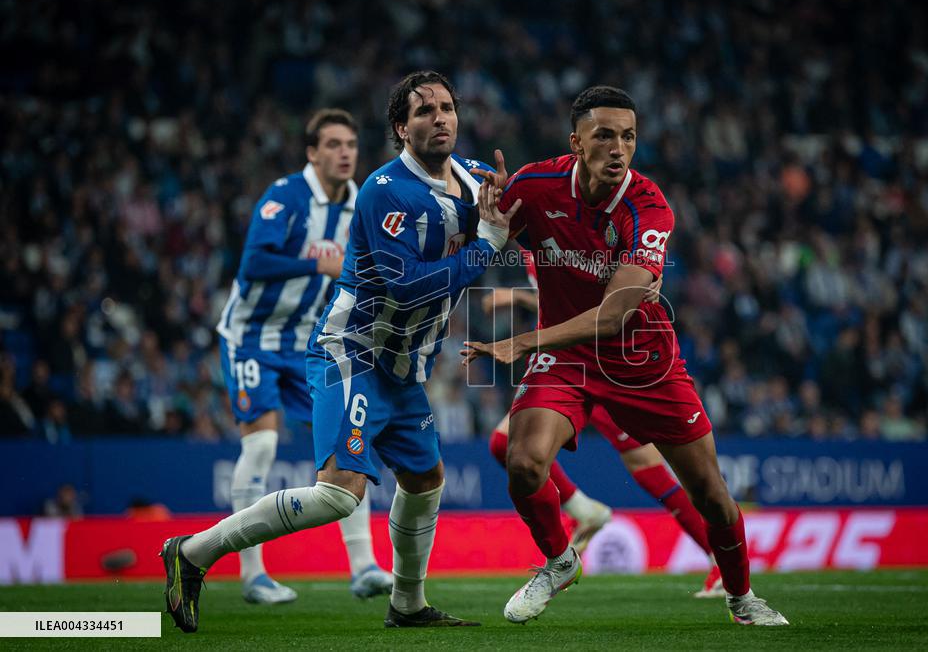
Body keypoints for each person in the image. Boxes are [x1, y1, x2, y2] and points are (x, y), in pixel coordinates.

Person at [161, 70, 519, 632]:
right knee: (339, 495)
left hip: (405, 367)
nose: (440, 117)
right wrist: (487, 246)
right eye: (424, 111)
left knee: (426, 481)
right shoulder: (384, 191)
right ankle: (192, 553)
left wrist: (514, 214)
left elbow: (511, 216)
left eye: (447, 107)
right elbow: (408, 287)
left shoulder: (475, 179)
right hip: (353, 352)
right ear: (402, 128)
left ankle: (407, 604)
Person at [464, 86, 788, 625]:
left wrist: (522, 340)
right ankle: (559, 561)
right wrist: (487, 220)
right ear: (576, 142)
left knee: (711, 494)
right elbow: (482, 245)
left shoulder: (650, 207)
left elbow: (614, 315)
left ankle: (741, 596)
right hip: (568, 359)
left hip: (643, 363)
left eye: (629, 137)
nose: (619, 149)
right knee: (520, 460)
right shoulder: (534, 186)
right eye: (605, 136)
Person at [212, 108, 393, 605]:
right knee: (263, 448)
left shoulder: (359, 202)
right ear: (312, 152)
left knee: (350, 443)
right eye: (333, 144)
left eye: (351, 145)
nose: (344, 153)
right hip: (251, 339)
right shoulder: (286, 195)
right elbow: (252, 263)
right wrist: (318, 262)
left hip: (309, 343)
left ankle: (364, 567)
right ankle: (252, 575)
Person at [483, 253, 722, 598]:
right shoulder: (532, 240)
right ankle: (584, 510)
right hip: (567, 367)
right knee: (504, 444)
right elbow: (563, 305)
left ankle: (718, 557)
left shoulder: (565, 233)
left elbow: (608, 294)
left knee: (648, 467)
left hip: (608, 364)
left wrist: (652, 278)